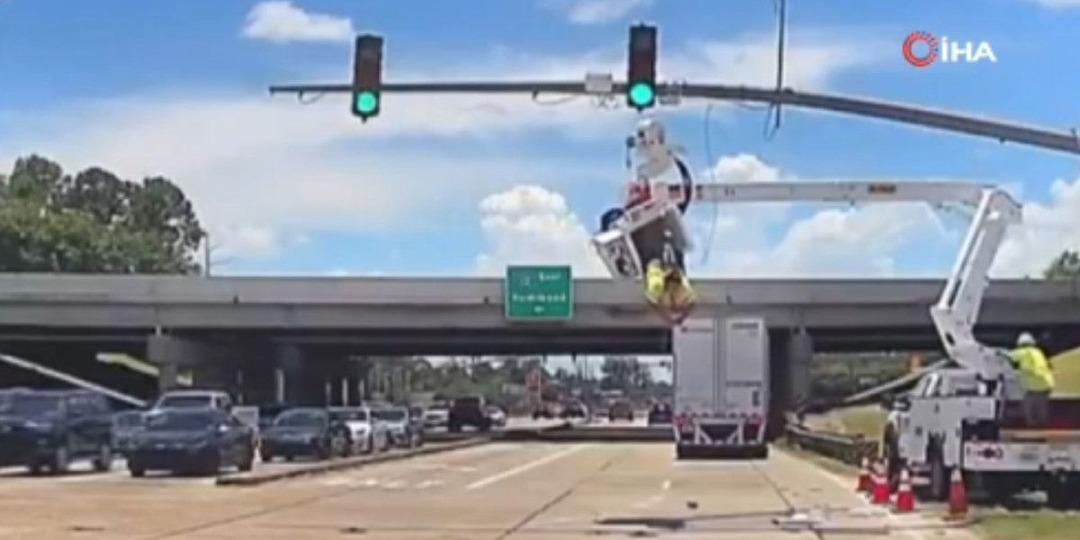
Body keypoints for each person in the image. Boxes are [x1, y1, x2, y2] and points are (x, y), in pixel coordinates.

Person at [1009, 332, 1055, 427]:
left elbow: (1010, 356)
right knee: (1042, 410)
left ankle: (1032, 428)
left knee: (1029, 410)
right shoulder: (1038, 352)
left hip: (1033, 387)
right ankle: (1043, 427)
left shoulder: (1025, 352)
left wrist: (998, 352)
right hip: (1045, 385)